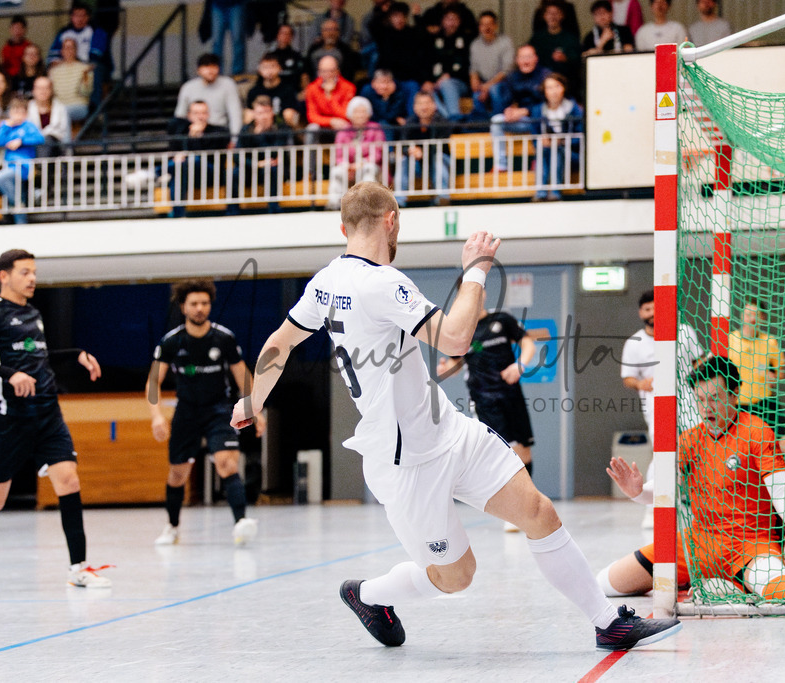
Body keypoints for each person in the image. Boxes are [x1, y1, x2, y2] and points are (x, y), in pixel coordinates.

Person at [229, 181, 682, 651]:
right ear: (391, 221)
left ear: (343, 229)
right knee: (456, 575)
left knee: (538, 512)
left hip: (448, 430)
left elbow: (279, 342)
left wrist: (253, 401)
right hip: (404, 461)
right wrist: (476, 271)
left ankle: (608, 623)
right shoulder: (383, 282)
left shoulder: (325, 281)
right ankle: (367, 595)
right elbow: (456, 339)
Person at [0, 249, 112, 589]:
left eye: (34, 272)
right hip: (8, 419)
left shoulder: (33, 313)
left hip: (47, 414)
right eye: (25, 272)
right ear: (4, 276)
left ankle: (79, 568)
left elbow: (37, 358)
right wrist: (9, 375)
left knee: (69, 480)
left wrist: (75, 355)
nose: (32, 278)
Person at [599, 357, 785, 601]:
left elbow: (782, 493)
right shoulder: (689, 440)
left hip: (749, 544)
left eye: (714, 398)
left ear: (734, 394)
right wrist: (637, 492)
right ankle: (711, 582)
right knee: (606, 584)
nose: (706, 407)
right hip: (697, 544)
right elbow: (664, 489)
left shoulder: (757, 432)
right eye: (700, 399)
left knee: (776, 587)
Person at [147, 278, 265, 546]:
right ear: (183, 307)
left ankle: (241, 523)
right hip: (186, 413)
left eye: (204, 303)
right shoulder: (171, 341)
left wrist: (255, 409)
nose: (199, 308)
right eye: (194, 303)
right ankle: (172, 527)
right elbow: (153, 381)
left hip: (219, 410)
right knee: (178, 474)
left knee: (227, 463)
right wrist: (156, 416)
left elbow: (242, 376)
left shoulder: (224, 338)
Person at [436, 299, 536, 530]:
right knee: (504, 452)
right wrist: (445, 369)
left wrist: (519, 365)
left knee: (524, 451)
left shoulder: (502, 319)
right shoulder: (463, 331)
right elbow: (454, 364)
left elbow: (528, 343)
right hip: (483, 401)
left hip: (511, 395)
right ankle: (513, 513)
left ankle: (527, 504)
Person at [620, 290, 705, 528]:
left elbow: (699, 361)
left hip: (690, 400)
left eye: (656, 308)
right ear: (641, 313)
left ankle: (701, 504)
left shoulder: (684, 332)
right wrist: (640, 384)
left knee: (699, 447)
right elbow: (628, 378)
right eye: (647, 309)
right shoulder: (634, 342)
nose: (653, 313)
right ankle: (652, 507)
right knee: (663, 452)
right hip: (656, 402)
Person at [728, 300, 785, 492]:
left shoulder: (769, 341)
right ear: (742, 315)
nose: (752, 318)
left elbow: (780, 373)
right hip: (740, 406)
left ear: (762, 319)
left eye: (756, 315)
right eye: (748, 313)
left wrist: (772, 376)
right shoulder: (730, 340)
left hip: (766, 403)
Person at [165, 99, 232, 218]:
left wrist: (196, 138)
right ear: (189, 115)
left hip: (211, 173)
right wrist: (189, 139)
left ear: (208, 114)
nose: (200, 116)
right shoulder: (182, 132)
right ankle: (178, 216)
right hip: (186, 174)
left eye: (203, 113)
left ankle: (157, 172)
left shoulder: (218, 131)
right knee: (179, 171)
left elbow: (208, 155)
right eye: (196, 113)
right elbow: (174, 152)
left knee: (192, 160)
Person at [488, 45, 548, 171]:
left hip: (542, 120)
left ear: (536, 58)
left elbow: (549, 105)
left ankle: (540, 160)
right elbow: (507, 100)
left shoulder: (545, 75)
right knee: (496, 121)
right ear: (517, 60)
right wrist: (508, 111)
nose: (526, 61)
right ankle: (500, 165)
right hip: (522, 121)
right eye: (522, 57)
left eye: (529, 57)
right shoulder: (512, 77)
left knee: (543, 119)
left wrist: (526, 111)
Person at [233, 95, 293, 213]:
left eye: (266, 112)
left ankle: (273, 208)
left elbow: (275, 152)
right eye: (260, 113)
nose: (264, 116)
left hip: (271, 168)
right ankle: (232, 210)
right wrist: (256, 163)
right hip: (250, 169)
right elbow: (237, 156)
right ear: (254, 114)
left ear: (272, 113)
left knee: (272, 169)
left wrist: (261, 136)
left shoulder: (280, 128)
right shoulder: (246, 130)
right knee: (234, 173)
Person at [393, 91, 451, 207]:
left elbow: (439, 147)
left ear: (434, 105)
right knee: (403, 160)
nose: (424, 107)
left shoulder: (442, 122)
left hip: (440, 164)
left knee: (438, 158)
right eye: (420, 104)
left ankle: (442, 197)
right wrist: (410, 150)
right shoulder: (410, 122)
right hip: (417, 165)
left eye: (427, 103)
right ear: (414, 107)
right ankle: (398, 201)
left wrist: (422, 152)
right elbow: (403, 145)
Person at [531, 72, 583, 201]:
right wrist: (542, 141)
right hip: (546, 151)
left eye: (557, 86)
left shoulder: (574, 109)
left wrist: (563, 142)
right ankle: (540, 192)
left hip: (570, 153)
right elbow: (534, 136)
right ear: (544, 91)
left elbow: (580, 136)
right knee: (543, 150)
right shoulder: (538, 110)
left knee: (556, 150)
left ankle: (555, 191)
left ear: (563, 88)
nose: (553, 91)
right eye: (549, 88)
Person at [47, 2, 112, 106]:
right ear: (71, 17)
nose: (79, 19)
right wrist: (56, 62)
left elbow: (96, 54)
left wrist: (77, 63)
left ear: (88, 17)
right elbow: (53, 54)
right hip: (67, 63)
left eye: (83, 16)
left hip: (88, 65)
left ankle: (93, 107)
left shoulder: (97, 31)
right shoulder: (63, 32)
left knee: (95, 71)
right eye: (76, 15)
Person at [326, 96, 384, 210]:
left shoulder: (375, 128)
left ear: (369, 114)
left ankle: (367, 204)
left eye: (363, 112)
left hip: (368, 165)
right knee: (336, 171)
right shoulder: (344, 131)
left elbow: (377, 154)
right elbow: (339, 155)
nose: (360, 115)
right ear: (350, 114)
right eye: (357, 112)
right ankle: (334, 203)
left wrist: (361, 163)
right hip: (349, 167)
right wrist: (347, 166)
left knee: (369, 169)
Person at [0, 97, 44, 224]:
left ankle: (18, 204)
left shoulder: (28, 126)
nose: (18, 115)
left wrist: (21, 141)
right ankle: (21, 221)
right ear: (10, 113)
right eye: (15, 112)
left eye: (21, 112)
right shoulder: (7, 127)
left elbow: (40, 139)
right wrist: (5, 127)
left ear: (26, 114)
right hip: (9, 165)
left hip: (23, 166)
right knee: (18, 193)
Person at [174, 53, 243, 137]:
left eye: (214, 66)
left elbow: (235, 114)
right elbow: (180, 116)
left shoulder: (228, 85)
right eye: (206, 67)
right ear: (198, 70)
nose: (210, 71)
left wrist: (234, 139)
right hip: (194, 131)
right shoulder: (188, 87)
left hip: (219, 131)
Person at [421, 8, 471, 122]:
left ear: (459, 21)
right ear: (443, 21)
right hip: (435, 82)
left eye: (454, 19)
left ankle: (454, 117)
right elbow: (426, 62)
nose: (451, 23)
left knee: (447, 84)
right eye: (448, 19)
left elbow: (467, 65)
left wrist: (449, 76)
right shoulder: (434, 39)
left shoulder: (466, 40)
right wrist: (426, 80)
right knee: (426, 91)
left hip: (459, 83)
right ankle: (449, 121)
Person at [468, 11, 513, 121]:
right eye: (483, 24)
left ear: (495, 25)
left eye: (490, 24)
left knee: (494, 90)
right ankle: (482, 126)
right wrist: (474, 80)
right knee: (476, 95)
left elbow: (507, 70)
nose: (487, 28)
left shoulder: (505, 42)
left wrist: (488, 86)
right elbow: (474, 68)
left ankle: (498, 123)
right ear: (479, 27)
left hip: (503, 84)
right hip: (484, 83)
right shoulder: (475, 45)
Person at [373, 3, 428, 88]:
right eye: (396, 16)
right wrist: (383, 12)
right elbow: (373, 27)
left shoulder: (411, 33)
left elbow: (424, 37)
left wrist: (417, 17)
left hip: (409, 78)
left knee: (413, 87)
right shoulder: (384, 33)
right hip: (388, 78)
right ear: (390, 18)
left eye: (403, 16)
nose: (400, 19)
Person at [529, 1, 581, 88]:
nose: (553, 17)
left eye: (556, 13)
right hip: (540, 80)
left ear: (562, 16)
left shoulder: (571, 39)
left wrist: (566, 58)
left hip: (565, 81)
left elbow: (578, 60)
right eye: (549, 13)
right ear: (544, 16)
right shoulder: (537, 38)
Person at [304, 55, 356, 143]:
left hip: (340, 123)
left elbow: (346, 114)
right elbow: (312, 116)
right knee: (311, 128)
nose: (328, 75)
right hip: (322, 124)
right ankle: (310, 153)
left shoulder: (349, 87)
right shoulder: (311, 88)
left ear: (337, 71)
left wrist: (330, 97)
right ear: (319, 72)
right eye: (324, 71)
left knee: (346, 127)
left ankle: (344, 152)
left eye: (331, 71)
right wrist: (331, 121)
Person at [245, 53, 303, 128]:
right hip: (260, 122)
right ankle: (251, 135)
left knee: (289, 113)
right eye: (265, 67)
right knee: (248, 114)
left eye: (272, 66)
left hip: (281, 123)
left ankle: (293, 135)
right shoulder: (254, 91)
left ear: (280, 68)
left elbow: (292, 111)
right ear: (259, 70)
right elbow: (250, 110)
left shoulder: (288, 89)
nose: (269, 71)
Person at [360, 69, 416, 137]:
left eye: (388, 82)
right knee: (383, 124)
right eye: (381, 82)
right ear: (373, 83)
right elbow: (372, 114)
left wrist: (386, 98)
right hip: (372, 122)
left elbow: (392, 114)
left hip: (393, 124)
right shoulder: (367, 91)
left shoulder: (399, 93)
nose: (384, 86)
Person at [48, 38, 93, 124]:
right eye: (65, 47)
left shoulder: (85, 68)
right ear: (61, 51)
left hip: (78, 105)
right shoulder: (53, 71)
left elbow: (86, 92)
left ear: (76, 50)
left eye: (71, 47)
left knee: (61, 114)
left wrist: (85, 78)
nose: (68, 50)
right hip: (59, 106)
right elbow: (51, 93)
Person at [305, 19, 361, 84]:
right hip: (315, 86)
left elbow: (350, 74)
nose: (331, 33)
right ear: (322, 32)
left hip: (339, 86)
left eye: (334, 30)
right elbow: (306, 71)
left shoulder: (346, 50)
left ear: (338, 33)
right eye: (327, 30)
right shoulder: (314, 48)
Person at [28, 75, 72, 155]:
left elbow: (64, 133)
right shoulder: (27, 108)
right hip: (32, 147)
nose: (43, 91)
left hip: (55, 147)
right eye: (39, 88)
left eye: (46, 88)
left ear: (51, 90)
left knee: (48, 140)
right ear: (33, 90)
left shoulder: (60, 108)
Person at [209, 0, 248, 76]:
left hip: (236, 4)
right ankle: (217, 72)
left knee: (237, 40)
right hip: (217, 5)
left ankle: (238, 73)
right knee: (216, 43)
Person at [269, 24, 309, 92]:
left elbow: (304, 77)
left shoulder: (298, 56)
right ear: (277, 35)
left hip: (293, 93)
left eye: (288, 34)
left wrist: (304, 92)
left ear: (291, 37)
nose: (285, 36)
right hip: (274, 92)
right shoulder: (269, 56)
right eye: (282, 33)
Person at [0, 15, 32, 79]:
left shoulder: (28, 47)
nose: (17, 31)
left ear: (25, 30)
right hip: (8, 78)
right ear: (10, 29)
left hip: (24, 77)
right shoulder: (5, 48)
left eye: (20, 28)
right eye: (15, 28)